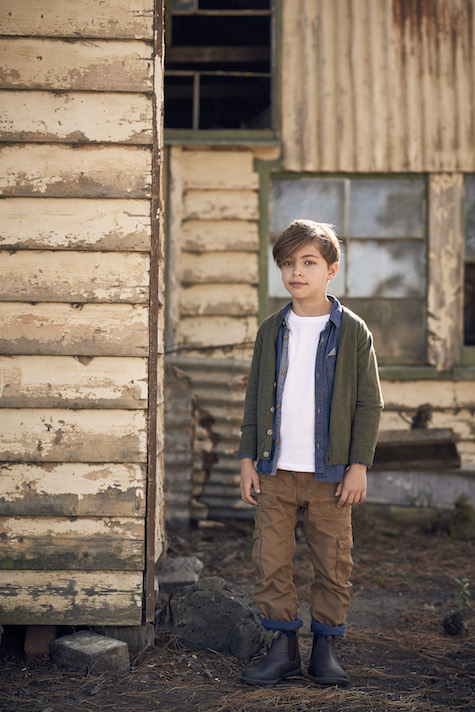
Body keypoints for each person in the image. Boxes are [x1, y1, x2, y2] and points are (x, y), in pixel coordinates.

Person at [238, 219, 383, 687]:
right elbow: (255, 399)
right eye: (287, 263)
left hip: (331, 476)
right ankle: (282, 652)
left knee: (332, 563)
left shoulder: (353, 332)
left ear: (331, 269)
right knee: (270, 561)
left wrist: (358, 465)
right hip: (276, 471)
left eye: (308, 262)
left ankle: (325, 651)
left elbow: (369, 402)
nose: (296, 272)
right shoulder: (271, 330)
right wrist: (246, 459)